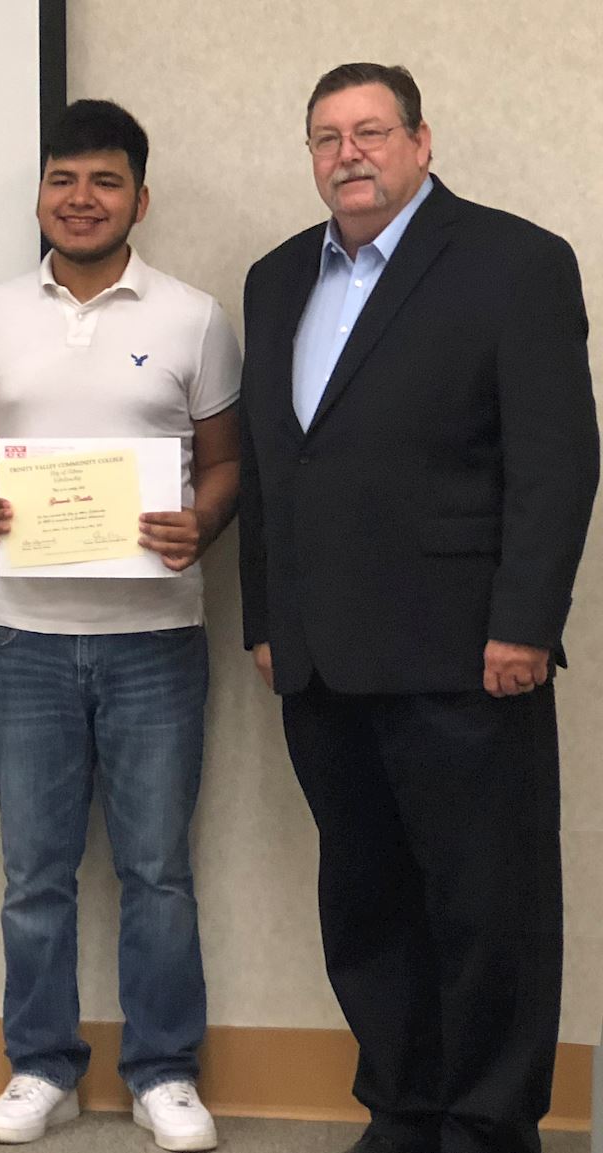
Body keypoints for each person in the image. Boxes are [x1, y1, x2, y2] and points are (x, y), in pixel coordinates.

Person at [238, 63, 597, 1153]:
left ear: (420, 141)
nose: (346, 152)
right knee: (366, 903)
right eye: (324, 136)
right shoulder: (273, 277)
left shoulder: (514, 261)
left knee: (488, 910)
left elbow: (557, 458)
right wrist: (263, 617)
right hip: (317, 657)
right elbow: (269, 462)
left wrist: (526, 624)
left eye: (370, 131)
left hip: (463, 649)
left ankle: (487, 1126)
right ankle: (402, 1108)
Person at [0, 101, 240, 1150]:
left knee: (157, 869)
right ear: (40, 194)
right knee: (34, 872)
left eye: (104, 182)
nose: (80, 199)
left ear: (138, 199)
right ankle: (42, 1066)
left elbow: (230, 459)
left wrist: (201, 519)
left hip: (155, 641)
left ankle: (163, 1069)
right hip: (23, 638)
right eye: (62, 179)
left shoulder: (193, 316)